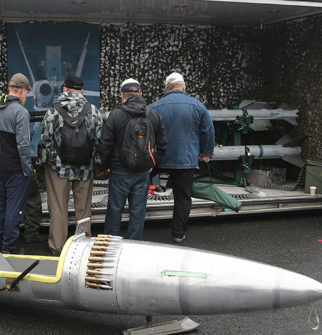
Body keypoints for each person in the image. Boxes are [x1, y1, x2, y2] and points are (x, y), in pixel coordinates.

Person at [39, 75, 103, 254]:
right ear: (81, 90)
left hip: (58, 169)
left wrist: (48, 162)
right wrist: (97, 165)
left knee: (58, 207)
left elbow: (45, 141)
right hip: (85, 168)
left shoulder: (53, 111)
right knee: (83, 208)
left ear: (64, 89)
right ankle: (83, 246)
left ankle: (57, 247)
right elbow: (99, 142)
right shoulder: (94, 111)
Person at [98, 78, 166, 240]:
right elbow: (162, 144)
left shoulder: (116, 115)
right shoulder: (154, 115)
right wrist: (152, 164)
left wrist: (104, 166)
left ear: (122, 96)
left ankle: (110, 244)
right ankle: (133, 245)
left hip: (119, 169)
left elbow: (105, 144)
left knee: (115, 209)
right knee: (138, 210)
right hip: (143, 171)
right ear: (141, 94)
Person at [151, 72, 214, 243]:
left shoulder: (154, 107)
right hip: (185, 159)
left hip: (158, 158)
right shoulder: (198, 106)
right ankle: (178, 234)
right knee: (182, 197)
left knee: (139, 189)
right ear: (184, 87)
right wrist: (206, 152)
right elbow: (208, 132)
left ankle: (136, 228)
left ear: (166, 88)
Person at [0, 73, 33, 254]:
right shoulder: (21, 112)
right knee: (14, 209)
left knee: (1, 206)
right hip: (16, 168)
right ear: (20, 91)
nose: (26, 96)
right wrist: (28, 169)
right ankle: (9, 246)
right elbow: (23, 144)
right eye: (26, 92)